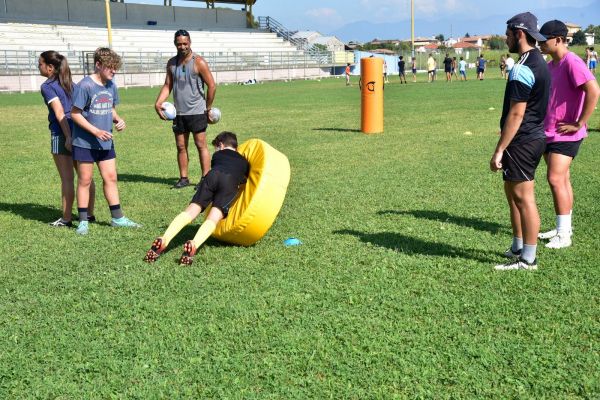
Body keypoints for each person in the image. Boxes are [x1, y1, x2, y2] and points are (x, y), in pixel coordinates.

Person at [490, 12, 550, 270]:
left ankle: (528, 258)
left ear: (519, 33)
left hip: (523, 140)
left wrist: (500, 149)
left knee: (524, 197)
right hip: (531, 137)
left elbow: (517, 112)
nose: (505, 39)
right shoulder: (537, 61)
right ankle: (517, 245)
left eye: (507, 34)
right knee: (512, 193)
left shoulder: (524, 68)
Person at [537, 20, 600, 249]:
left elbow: (594, 90)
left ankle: (564, 234)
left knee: (555, 178)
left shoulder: (571, 61)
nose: (540, 44)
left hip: (567, 133)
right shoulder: (551, 65)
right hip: (550, 131)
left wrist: (580, 122)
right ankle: (564, 225)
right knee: (562, 179)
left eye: (544, 40)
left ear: (559, 40)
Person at [144, 131, 249, 266]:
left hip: (212, 176)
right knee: (213, 217)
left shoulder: (217, 156)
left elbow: (219, 167)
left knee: (191, 211)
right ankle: (194, 243)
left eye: (216, 147)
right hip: (230, 181)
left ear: (221, 145)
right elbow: (243, 180)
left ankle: (165, 238)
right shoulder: (244, 162)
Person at [71, 47, 141, 235]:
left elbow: (110, 108)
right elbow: (75, 114)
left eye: (115, 67)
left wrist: (118, 119)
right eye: (110, 67)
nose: (114, 71)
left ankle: (117, 218)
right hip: (85, 142)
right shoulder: (85, 86)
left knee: (110, 177)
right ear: (98, 65)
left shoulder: (111, 85)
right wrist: (95, 131)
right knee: (85, 180)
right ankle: (83, 221)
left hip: (105, 141)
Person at [38, 50, 95, 227]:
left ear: (50, 67)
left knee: (67, 179)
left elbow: (59, 112)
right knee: (85, 177)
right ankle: (89, 215)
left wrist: (68, 137)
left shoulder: (47, 86)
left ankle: (66, 219)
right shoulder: (73, 84)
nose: (38, 66)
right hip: (80, 130)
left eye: (40, 63)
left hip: (61, 133)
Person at [155, 29, 217, 189]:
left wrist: (207, 108)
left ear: (190, 43)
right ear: (175, 44)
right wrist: (158, 102)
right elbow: (168, 85)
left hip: (197, 112)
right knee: (181, 146)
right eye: (179, 44)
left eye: (185, 43)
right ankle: (184, 178)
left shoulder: (199, 62)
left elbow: (212, 85)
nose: (182, 46)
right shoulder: (171, 63)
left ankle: (205, 178)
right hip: (178, 113)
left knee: (200, 145)